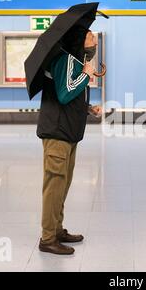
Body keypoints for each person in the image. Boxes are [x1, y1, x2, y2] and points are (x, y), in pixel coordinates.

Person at [37, 30, 101, 255]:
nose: (94, 40)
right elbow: (64, 94)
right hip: (57, 133)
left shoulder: (74, 60)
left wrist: (87, 109)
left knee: (63, 184)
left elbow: (67, 95)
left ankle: (57, 230)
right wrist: (86, 75)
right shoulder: (65, 59)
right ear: (78, 40)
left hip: (69, 132)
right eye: (90, 36)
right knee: (54, 186)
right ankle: (48, 239)